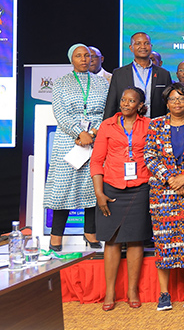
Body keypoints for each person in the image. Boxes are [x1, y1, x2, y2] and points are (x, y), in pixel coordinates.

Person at [145, 82, 184, 311]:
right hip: (163, 192)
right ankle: (164, 294)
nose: (177, 103)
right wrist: (172, 179)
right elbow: (149, 156)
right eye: (172, 99)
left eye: (181, 99)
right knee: (164, 241)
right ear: (166, 103)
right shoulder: (155, 124)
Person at [92, 87, 152, 310]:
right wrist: (99, 193)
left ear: (139, 105)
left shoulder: (148, 125)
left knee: (136, 239)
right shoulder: (107, 126)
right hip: (111, 187)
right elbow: (97, 161)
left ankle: (132, 290)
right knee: (112, 239)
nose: (126, 103)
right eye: (123, 100)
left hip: (139, 187)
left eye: (131, 101)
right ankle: (110, 292)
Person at [45, 44, 109, 251]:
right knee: (62, 189)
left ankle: (90, 233)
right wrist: (78, 132)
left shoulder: (102, 83)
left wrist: (93, 133)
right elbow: (60, 112)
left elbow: (108, 111)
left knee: (92, 187)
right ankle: (56, 236)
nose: (84, 59)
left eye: (87, 55)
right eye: (79, 56)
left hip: (95, 140)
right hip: (68, 141)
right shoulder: (62, 83)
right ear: (71, 59)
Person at [104, 32, 172, 120]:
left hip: (155, 124)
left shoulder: (163, 74)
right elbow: (111, 104)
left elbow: (169, 103)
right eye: (138, 43)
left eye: (146, 43)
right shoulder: (119, 73)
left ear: (151, 46)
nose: (143, 47)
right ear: (131, 48)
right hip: (127, 125)